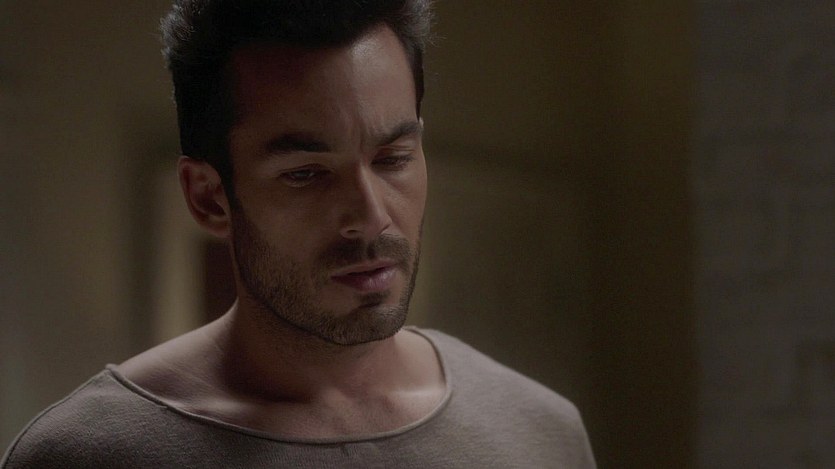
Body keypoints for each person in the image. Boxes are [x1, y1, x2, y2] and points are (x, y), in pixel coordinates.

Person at [1, 1, 596, 467]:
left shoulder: (540, 433)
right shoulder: (88, 454)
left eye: (392, 159)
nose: (370, 217)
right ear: (208, 197)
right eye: (306, 174)